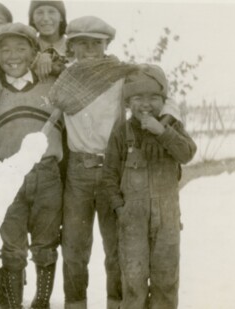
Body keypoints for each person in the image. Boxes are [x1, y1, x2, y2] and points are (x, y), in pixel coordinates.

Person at [48, 16, 182, 309]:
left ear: (106, 44)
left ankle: (117, 302)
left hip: (114, 170)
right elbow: (50, 116)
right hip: (78, 172)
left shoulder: (122, 75)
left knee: (117, 246)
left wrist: (165, 122)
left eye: (96, 43)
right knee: (74, 247)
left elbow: (166, 98)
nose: (89, 50)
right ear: (71, 47)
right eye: (81, 44)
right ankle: (75, 303)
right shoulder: (65, 80)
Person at [102, 64, 196, 309]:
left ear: (163, 100)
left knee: (166, 278)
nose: (146, 104)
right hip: (132, 219)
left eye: (153, 97)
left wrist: (163, 132)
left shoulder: (173, 127)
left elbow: (187, 154)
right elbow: (109, 175)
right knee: (133, 280)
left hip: (167, 218)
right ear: (127, 102)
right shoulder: (122, 133)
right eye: (137, 98)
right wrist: (120, 209)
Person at [0, 23, 63, 309]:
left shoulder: (52, 84)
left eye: (20, 48)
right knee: (13, 250)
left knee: (45, 247)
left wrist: (51, 58)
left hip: (47, 175)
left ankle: (41, 303)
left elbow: (77, 70)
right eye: (4, 49)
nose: (13, 55)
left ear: (33, 52)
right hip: (5, 177)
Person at [28, 0, 69, 80]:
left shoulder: (74, 46)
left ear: (61, 17)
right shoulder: (27, 48)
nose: (46, 18)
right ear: (32, 19)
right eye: (39, 13)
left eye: (51, 12)